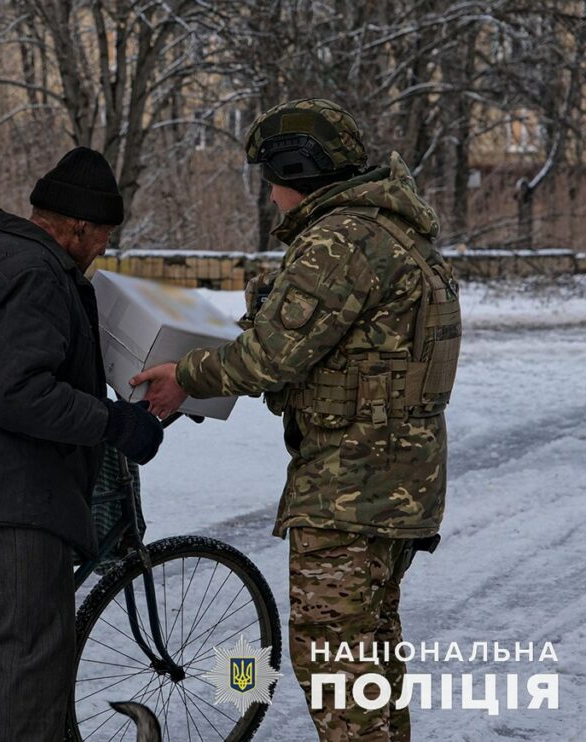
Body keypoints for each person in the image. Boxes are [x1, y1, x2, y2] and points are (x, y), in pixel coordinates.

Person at [132, 99, 461, 741]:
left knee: (335, 665)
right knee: (370, 661)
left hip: (349, 493)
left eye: (272, 178)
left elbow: (270, 357)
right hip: (394, 487)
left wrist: (185, 375)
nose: (272, 195)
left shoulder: (342, 238)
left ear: (297, 170)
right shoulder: (395, 230)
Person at [0, 146, 165, 741]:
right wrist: (114, 423)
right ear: (78, 227)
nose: (104, 247)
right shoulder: (38, 275)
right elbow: (18, 393)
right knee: (29, 662)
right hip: (19, 493)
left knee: (28, 651)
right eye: (104, 235)